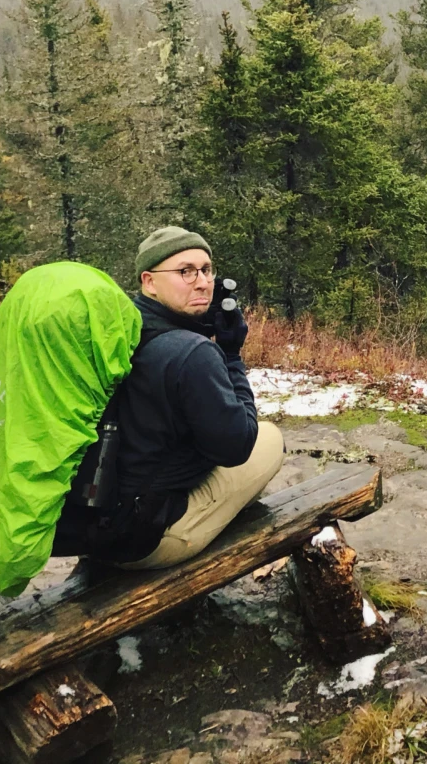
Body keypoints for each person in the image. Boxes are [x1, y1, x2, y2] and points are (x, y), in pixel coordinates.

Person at [53, 227, 284, 567]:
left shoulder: (117, 332)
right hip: (146, 541)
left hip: (93, 526)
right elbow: (237, 447)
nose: (202, 282)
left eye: (206, 270)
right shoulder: (191, 354)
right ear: (149, 281)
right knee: (269, 439)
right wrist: (231, 356)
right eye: (185, 271)